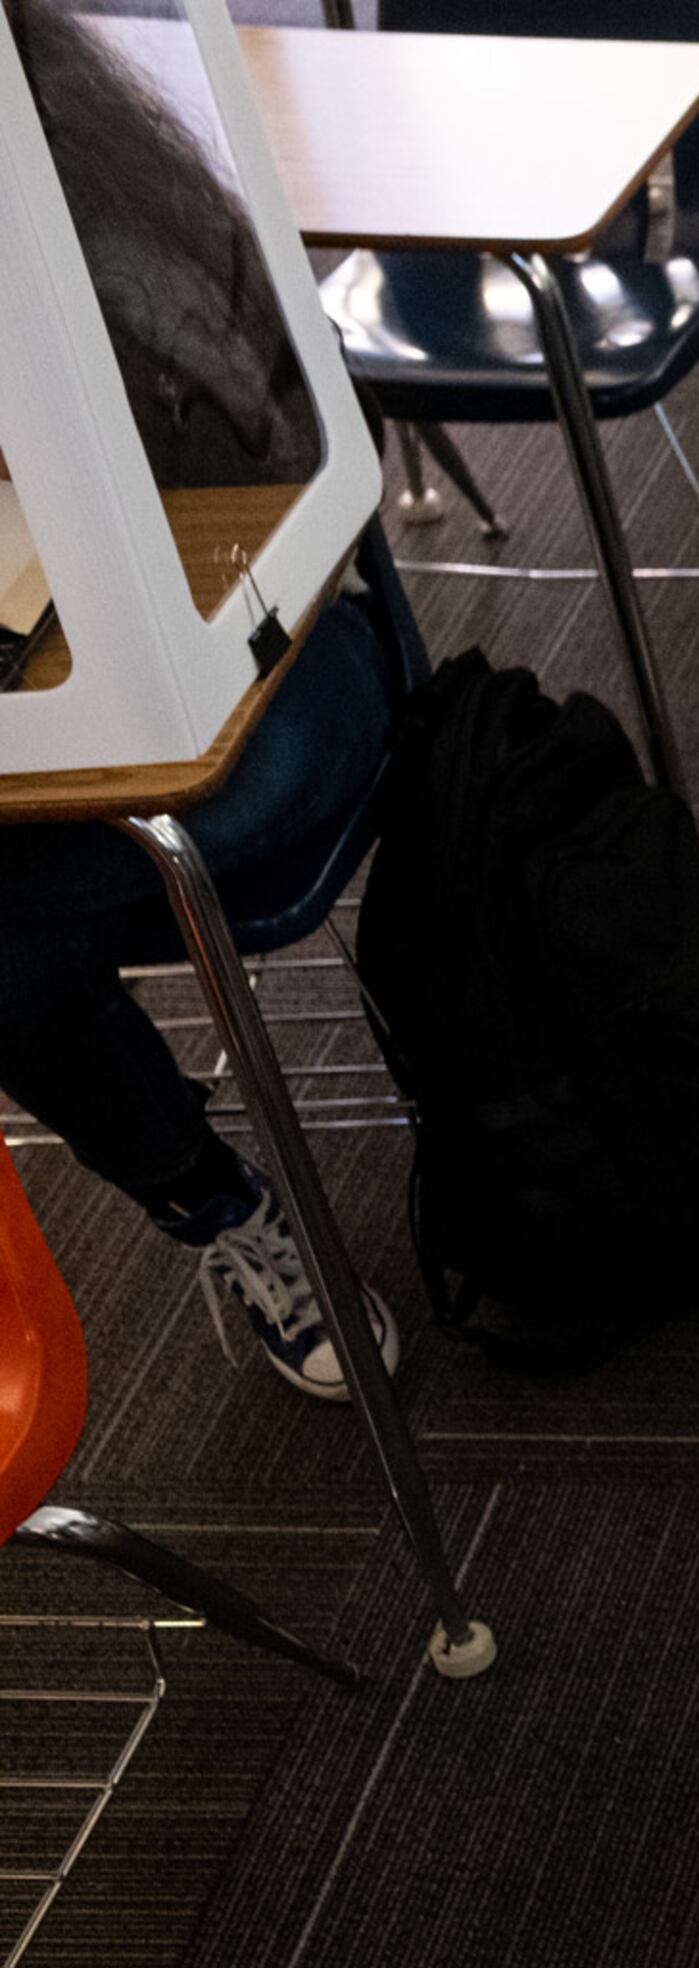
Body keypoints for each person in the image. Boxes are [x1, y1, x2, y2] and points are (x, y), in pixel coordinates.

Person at [0, 0, 402, 1402]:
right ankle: (217, 1200)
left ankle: (210, 1199)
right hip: (60, 727)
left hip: (267, 691)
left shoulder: (75, 171)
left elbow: (259, 512)